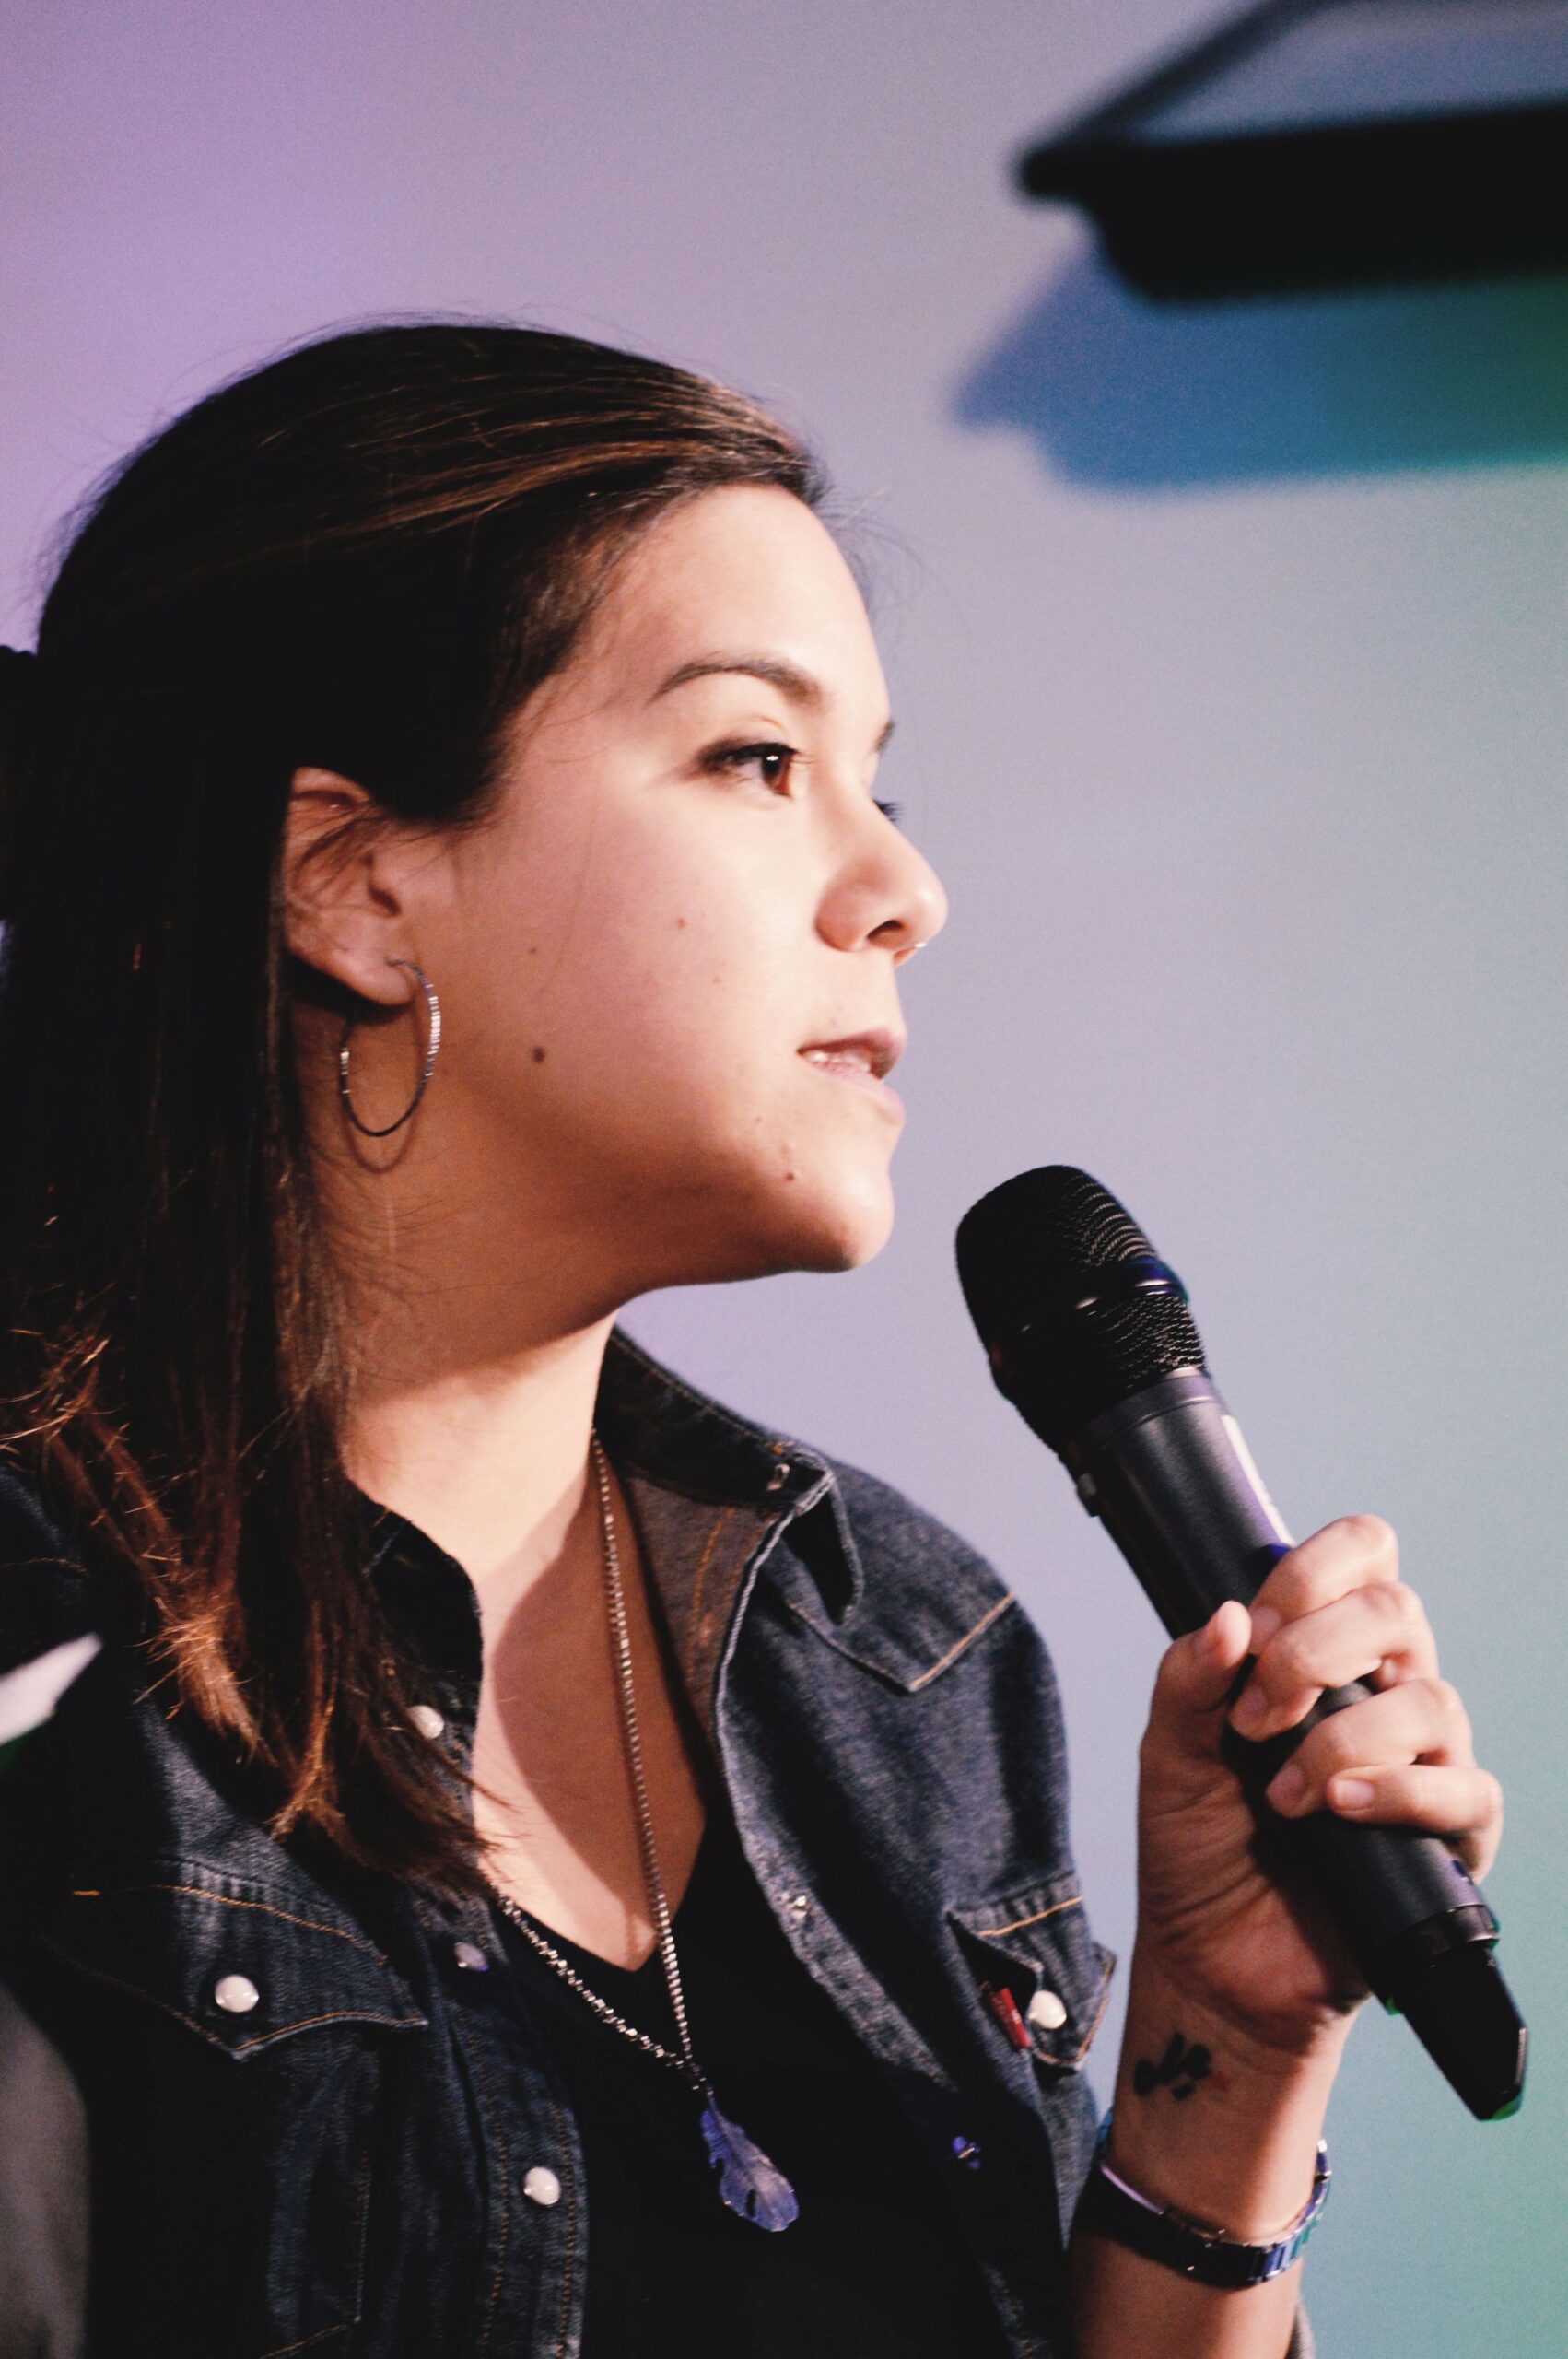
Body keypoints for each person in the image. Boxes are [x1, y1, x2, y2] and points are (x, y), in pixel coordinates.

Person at [0, 323, 1501, 2359]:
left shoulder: (900, 1655)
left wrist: (1223, 2057)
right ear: (353, 885)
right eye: (755, 759)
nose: (902, 888)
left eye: (879, 782)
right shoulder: (45, 1662)